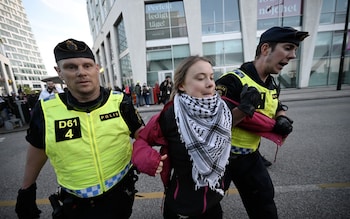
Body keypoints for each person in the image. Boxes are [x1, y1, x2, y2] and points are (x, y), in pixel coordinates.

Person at [15, 38, 145, 219]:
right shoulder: (45, 110)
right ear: (59, 71)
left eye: (87, 65)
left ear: (96, 68)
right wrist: (26, 190)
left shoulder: (120, 101)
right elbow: (38, 149)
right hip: (75, 204)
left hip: (120, 195)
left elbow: (143, 136)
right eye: (71, 67)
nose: (81, 72)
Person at [215, 26, 309, 219]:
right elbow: (213, 125)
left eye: (295, 51)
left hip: (249, 156)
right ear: (266, 49)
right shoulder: (232, 81)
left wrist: (281, 117)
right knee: (206, 209)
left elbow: (276, 105)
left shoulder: (272, 83)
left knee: (265, 206)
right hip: (220, 158)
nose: (292, 56)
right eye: (288, 48)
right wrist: (243, 109)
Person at [132, 56, 234, 218]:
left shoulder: (223, 110)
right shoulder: (170, 115)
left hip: (213, 200)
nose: (210, 83)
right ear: (181, 85)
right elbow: (142, 141)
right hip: (181, 205)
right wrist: (148, 160)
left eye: (211, 77)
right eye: (201, 78)